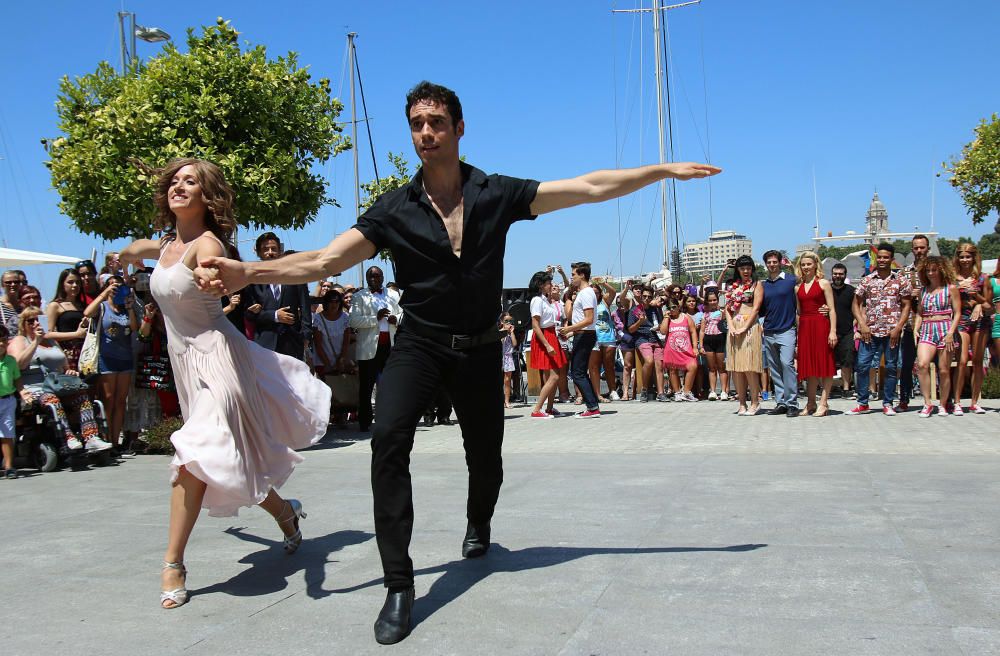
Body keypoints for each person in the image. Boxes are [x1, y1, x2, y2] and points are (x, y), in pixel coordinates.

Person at [193, 81, 719, 644]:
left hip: (480, 350)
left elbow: (587, 187)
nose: (426, 132)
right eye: (417, 123)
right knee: (389, 440)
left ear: (459, 128)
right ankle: (400, 584)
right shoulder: (394, 210)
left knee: (485, 460)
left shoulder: (496, 193)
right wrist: (246, 272)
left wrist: (661, 171)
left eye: (437, 122)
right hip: (419, 346)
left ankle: (478, 520)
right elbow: (324, 259)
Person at [118, 158, 331, 610]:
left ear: (205, 195)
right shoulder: (163, 244)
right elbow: (137, 250)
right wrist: (127, 255)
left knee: (196, 452)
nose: (179, 186)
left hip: (220, 359)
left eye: (189, 181)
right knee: (232, 458)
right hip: (185, 362)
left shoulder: (207, 243)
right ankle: (285, 512)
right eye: (173, 180)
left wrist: (210, 279)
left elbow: (212, 271)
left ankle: (173, 562)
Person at [7, 308, 111, 453]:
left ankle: (91, 438)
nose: (36, 323)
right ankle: (68, 437)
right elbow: (18, 365)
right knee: (52, 400)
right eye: (31, 321)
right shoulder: (20, 340)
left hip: (58, 385)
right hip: (36, 388)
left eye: (39, 319)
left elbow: (64, 366)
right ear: (23, 324)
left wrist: (69, 371)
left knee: (82, 396)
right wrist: (36, 342)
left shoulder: (51, 340)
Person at [850, 243, 912, 415]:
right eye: (880, 257)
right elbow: (856, 304)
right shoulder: (867, 280)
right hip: (870, 332)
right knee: (862, 366)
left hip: (892, 332)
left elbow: (907, 306)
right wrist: (862, 325)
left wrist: (899, 327)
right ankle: (863, 403)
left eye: (886, 257)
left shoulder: (901, 280)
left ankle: (888, 402)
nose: (883, 260)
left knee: (891, 367)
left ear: (892, 259)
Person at [83, 274, 138, 451]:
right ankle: (106, 439)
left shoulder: (124, 308)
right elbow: (87, 313)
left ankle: (115, 441)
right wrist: (105, 293)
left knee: (121, 401)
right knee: (108, 399)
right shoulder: (103, 307)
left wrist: (129, 307)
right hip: (107, 358)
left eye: (118, 286)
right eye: (112, 286)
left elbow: (134, 328)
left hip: (125, 358)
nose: (115, 289)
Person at [348, 265, 402, 432]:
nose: (375, 279)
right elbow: (353, 321)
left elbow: (404, 313)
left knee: (391, 385)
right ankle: (365, 422)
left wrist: (396, 319)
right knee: (366, 387)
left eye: (377, 276)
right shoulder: (359, 297)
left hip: (389, 346)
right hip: (369, 348)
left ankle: (390, 419)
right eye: (371, 276)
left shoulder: (393, 294)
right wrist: (375, 318)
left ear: (382, 278)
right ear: (367, 279)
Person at [244, 233, 312, 361]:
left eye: (273, 249)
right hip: (265, 343)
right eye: (265, 249)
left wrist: (306, 335)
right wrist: (275, 316)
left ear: (280, 251)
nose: (270, 253)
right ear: (258, 253)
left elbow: (305, 307)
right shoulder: (252, 281)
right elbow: (249, 314)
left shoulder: (295, 276)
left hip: (292, 341)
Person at [912, 256, 961, 417]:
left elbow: (957, 312)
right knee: (922, 364)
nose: (931, 273)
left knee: (944, 370)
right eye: (928, 270)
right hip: (927, 328)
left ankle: (943, 404)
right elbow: (920, 312)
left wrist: (951, 333)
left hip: (945, 327)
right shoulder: (923, 290)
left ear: (941, 269)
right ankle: (927, 403)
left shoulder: (951, 288)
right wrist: (916, 328)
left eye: (934, 270)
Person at [794, 252, 837, 416]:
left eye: (809, 264)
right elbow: (799, 312)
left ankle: (824, 402)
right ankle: (810, 402)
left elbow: (832, 309)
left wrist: (832, 331)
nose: (806, 267)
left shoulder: (824, 283)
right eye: (803, 264)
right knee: (809, 366)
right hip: (805, 327)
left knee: (824, 364)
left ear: (815, 265)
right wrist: (799, 335)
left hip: (821, 325)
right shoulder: (797, 287)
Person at [952, 243, 991, 414]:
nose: (965, 260)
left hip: (980, 321)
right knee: (961, 361)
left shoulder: (983, 278)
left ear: (974, 258)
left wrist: (978, 301)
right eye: (962, 257)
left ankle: (975, 401)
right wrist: (960, 289)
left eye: (968, 256)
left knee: (977, 361)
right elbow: (949, 302)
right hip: (961, 319)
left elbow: (990, 305)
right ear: (957, 258)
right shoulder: (952, 277)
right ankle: (957, 402)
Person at [760, 250, 800, 417]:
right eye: (769, 262)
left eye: (774, 261)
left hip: (787, 329)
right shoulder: (763, 285)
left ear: (779, 262)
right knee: (774, 368)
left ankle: (792, 403)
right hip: (769, 331)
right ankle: (781, 401)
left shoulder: (791, 280)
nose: (772, 265)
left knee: (787, 364)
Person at [724, 255, 763, 415]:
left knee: (749, 367)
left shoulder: (757, 285)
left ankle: (755, 402)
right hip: (734, 326)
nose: (745, 271)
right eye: (742, 268)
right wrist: (731, 325)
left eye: (748, 268)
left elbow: (756, 309)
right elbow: (727, 308)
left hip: (750, 326)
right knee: (736, 368)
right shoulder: (732, 286)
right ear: (738, 270)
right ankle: (742, 403)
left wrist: (745, 327)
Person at [898, 234, 930, 410]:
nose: (919, 251)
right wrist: (911, 295)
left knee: (940, 363)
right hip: (911, 324)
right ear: (912, 250)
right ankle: (904, 399)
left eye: (922, 247)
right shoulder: (905, 273)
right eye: (916, 248)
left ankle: (944, 400)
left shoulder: (937, 269)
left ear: (928, 248)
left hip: (933, 323)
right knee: (907, 363)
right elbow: (899, 298)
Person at [0, 326, 32, 479]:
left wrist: (23, 392)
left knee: (7, 434)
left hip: (8, 400)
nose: (1, 344)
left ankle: (9, 467)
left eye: (3, 341)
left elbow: (17, 379)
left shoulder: (10, 361)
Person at [45, 269, 89, 372]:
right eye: (70, 282)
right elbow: (47, 334)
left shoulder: (84, 306)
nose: (75, 285)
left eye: (78, 282)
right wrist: (76, 334)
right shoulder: (55, 306)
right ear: (62, 284)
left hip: (85, 352)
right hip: (66, 354)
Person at [633, 286, 667, 402]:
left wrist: (660, 327)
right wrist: (640, 321)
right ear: (640, 296)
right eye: (644, 296)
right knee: (649, 361)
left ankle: (661, 393)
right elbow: (631, 329)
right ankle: (644, 389)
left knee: (659, 365)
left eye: (649, 297)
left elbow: (662, 323)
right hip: (642, 339)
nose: (647, 299)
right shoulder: (636, 309)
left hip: (656, 338)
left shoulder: (656, 309)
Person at [659, 301, 698, 401]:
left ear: (678, 307)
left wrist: (695, 347)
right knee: (672, 370)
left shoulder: (686, 317)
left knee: (693, 366)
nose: (672, 309)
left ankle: (686, 392)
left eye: (673, 307)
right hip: (672, 349)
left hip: (686, 349)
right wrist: (666, 317)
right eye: (669, 307)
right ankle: (677, 393)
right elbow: (663, 331)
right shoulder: (668, 319)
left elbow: (693, 331)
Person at [829, 263, 856, 398]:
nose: (837, 276)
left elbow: (857, 310)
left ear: (845, 275)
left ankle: (846, 389)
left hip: (847, 331)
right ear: (831, 275)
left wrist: (856, 326)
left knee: (847, 361)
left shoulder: (852, 291)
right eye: (835, 274)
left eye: (840, 274)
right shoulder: (827, 289)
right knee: (827, 360)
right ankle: (826, 389)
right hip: (829, 331)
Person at [591, 277, 618, 402]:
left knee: (609, 365)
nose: (594, 295)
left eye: (596, 292)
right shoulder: (587, 304)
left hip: (608, 337)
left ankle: (612, 390)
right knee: (594, 367)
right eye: (592, 292)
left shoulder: (604, 302)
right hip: (593, 338)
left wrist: (603, 283)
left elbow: (613, 292)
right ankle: (596, 393)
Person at [699, 290, 729, 400]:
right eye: (710, 300)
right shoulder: (705, 314)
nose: (712, 302)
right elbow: (702, 331)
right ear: (707, 301)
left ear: (718, 300)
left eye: (714, 300)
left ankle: (724, 391)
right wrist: (701, 346)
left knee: (721, 367)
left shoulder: (722, 312)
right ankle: (712, 391)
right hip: (708, 339)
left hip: (720, 339)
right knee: (711, 368)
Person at [500, 313, 517, 408]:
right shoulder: (500, 331)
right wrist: (505, 332)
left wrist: (512, 333)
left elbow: (514, 344)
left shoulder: (511, 333)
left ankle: (507, 401)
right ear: (502, 322)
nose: (508, 323)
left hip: (508, 356)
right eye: (506, 321)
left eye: (510, 321)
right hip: (500, 357)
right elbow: (500, 342)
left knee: (507, 380)